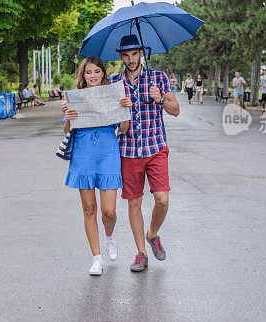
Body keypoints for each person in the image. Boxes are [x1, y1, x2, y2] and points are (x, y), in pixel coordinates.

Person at [110, 35, 180, 272]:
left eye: (135, 54)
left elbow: (176, 110)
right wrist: (122, 111)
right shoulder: (114, 83)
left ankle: (153, 233)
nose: (131, 59)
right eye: (126, 55)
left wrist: (159, 99)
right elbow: (111, 120)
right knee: (134, 203)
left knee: (162, 199)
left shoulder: (158, 78)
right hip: (128, 150)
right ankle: (141, 253)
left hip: (155, 148)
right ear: (121, 56)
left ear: (141, 53)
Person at [62, 57, 131, 276]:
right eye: (88, 72)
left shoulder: (113, 94)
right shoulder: (75, 97)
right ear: (83, 75)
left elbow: (124, 128)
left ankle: (109, 237)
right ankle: (96, 258)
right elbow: (67, 130)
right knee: (89, 208)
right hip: (83, 153)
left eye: (97, 72)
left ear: (103, 73)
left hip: (107, 151)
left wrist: (126, 109)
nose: (93, 76)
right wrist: (67, 117)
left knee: (109, 211)